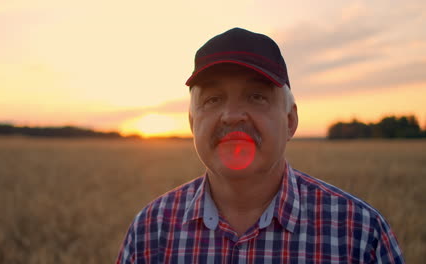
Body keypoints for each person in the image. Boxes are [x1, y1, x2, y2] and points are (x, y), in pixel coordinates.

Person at [116, 28, 404, 263]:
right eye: (213, 99)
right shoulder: (151, 232)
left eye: (256, 96)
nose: (232, 115)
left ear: (290, 120)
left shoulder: (359, 235)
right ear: (193, 123)